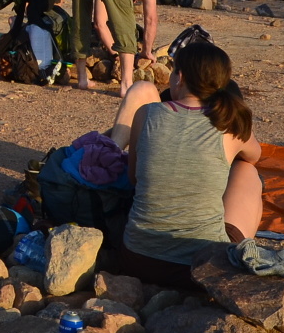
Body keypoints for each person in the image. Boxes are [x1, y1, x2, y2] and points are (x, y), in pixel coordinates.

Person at [106, 39, 261, 289]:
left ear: (179, 77)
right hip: (203, 267)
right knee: (247, 170)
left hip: (137, 258)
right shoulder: (229, 122)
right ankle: (236, 254)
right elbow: (255, 155)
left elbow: (134, 178)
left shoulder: (146, 114)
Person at [65, 0, 159, 93]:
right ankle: (126, 84)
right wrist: (146, 52)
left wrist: (114, 52)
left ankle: (82, 78)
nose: (136, 1)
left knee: (80, 16)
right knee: (124, 19)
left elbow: (99, 23)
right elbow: (151, 19)